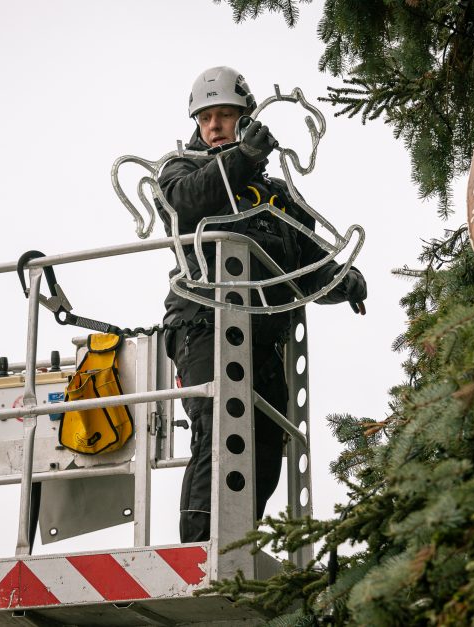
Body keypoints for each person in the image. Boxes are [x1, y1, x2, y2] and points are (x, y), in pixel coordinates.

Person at [159, 66, 367, 542]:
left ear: (245, 117)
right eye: (206, 117)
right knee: (219, 429)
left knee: (267, 445)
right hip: (204, 326)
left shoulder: (277, 196)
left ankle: (238, 545)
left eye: (225, 115)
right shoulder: (181, 170)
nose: (214, 126)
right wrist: (243, 159)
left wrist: (344, 279)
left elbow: (307, 263)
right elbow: (187, 203)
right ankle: (200, 552)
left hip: (263, 337)